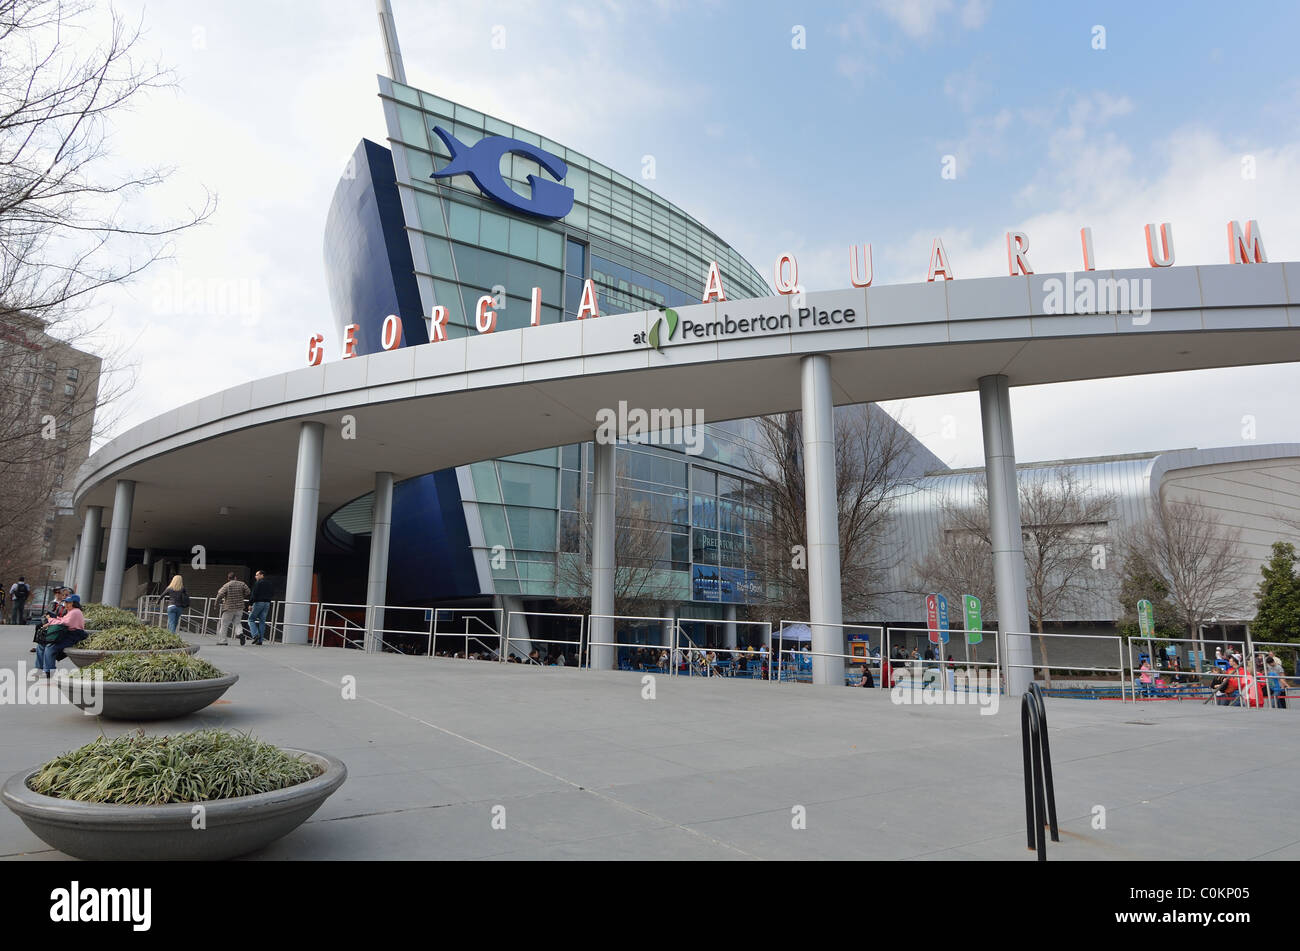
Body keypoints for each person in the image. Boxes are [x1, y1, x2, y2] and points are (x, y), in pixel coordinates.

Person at [32, 594, 86, 678]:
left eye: (69, 603)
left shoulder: (76, 611)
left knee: (50, 647)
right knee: (41, 645)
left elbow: (64, 623)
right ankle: (39, 669)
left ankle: (48, 671)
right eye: (66, 603)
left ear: (74, 603)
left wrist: (50, 619)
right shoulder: (71, 611)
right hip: (66, 633)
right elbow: (62, 620)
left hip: (74, 635)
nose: (66, 605)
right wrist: (52, 620)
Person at [214, 571, 250, 645]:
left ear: (228, 578)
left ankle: (223, 641)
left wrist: (216, 604)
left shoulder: (226, 585)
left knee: (224, 624)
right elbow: (248, 591)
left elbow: (220, 594)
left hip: (229, 608)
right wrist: (242, 596)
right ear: (235, 577)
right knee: (237, 623)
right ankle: (240, 634)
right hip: (240, 607)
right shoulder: (242, 584)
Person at [247, 570, 272, 645]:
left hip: (258, 603)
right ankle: (260, 640)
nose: (255, 577)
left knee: (251, 619)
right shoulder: (269, 583)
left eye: (257, 575)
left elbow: (254, 594)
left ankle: (255, 635)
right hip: (267, 603)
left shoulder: (258, 583)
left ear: (262, 575)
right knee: (262, 621)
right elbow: (272, 593)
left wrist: (250, 604)